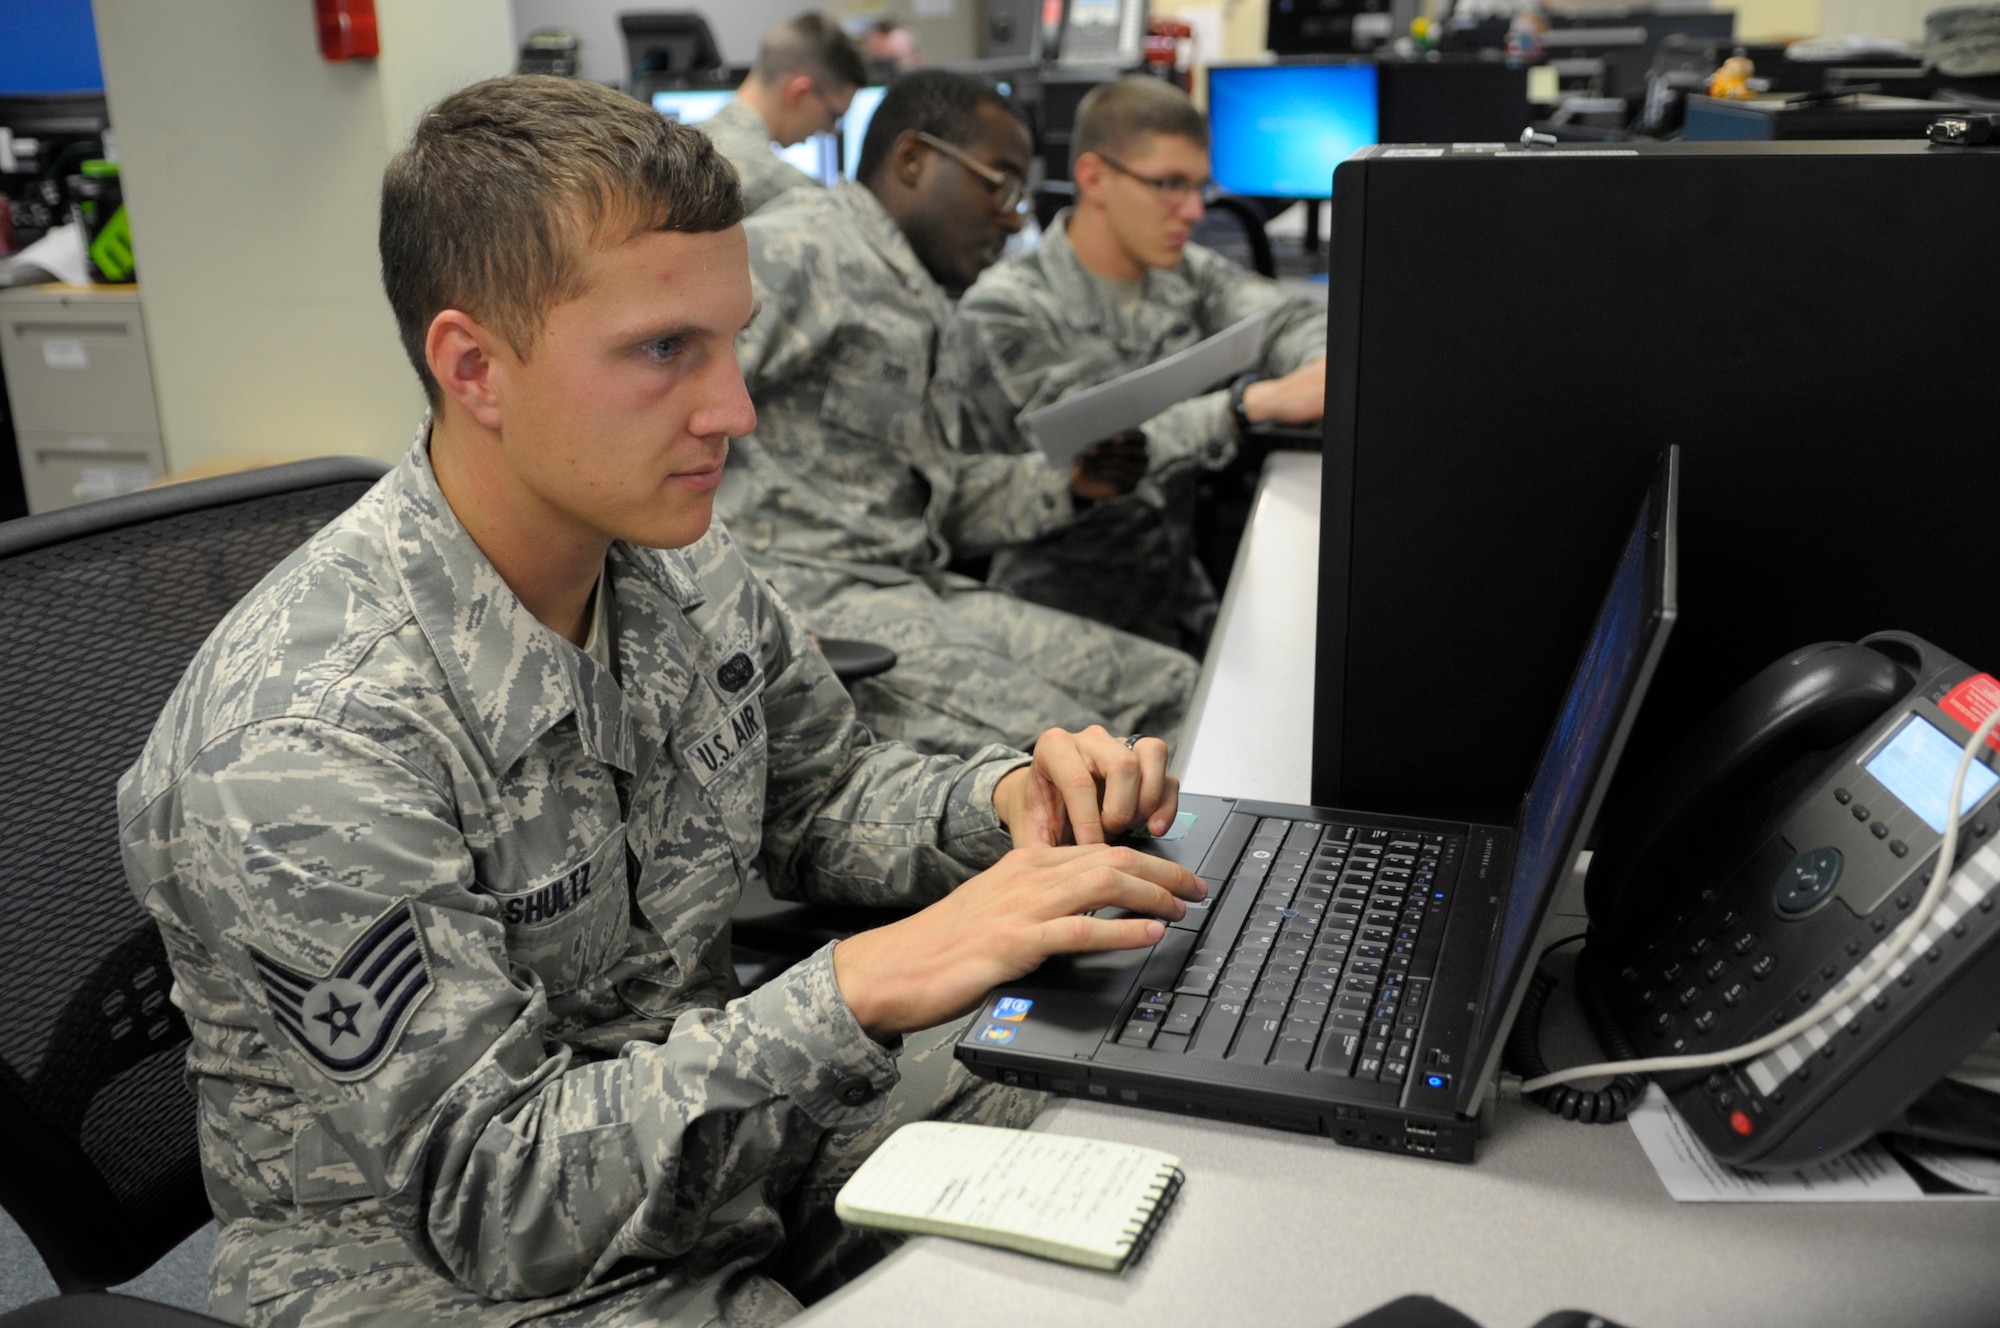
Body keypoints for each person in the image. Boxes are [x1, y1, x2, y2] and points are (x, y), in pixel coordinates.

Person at [116, 75, 1201, 1328]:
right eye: (662, 351)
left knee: (1143, 1117)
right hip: (435, 1269)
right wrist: (855, 985)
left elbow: (821, 791)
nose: (732, 409)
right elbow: (494, 1189)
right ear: (474, 364)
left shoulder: (671, 557)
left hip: (704, 1131)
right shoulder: (306, 739)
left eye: (731, 340)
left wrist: (1008, 797)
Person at [718, 68, 1199, 758]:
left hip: (911, 585)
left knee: (1172, 688)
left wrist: (1068, 485)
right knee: (1100, 763)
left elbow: (931, 499)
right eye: (998, 184)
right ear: (913, 159)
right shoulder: (800, 252)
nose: (1013, 216)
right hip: (814, 602)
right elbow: (648, 431)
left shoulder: (920, 295)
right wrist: (733, 619)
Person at [954, 75, 1329, 649]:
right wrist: (1249, 405)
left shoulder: (1184, 275)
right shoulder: (1007, 306)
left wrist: (1320, 366)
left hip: (1175, 597)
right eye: (1169, 184)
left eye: (1200, 186)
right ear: (1094, 178)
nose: (1194, 210)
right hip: (1055, 616)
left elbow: (1289, 321)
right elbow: (1100, 448)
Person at [695, 12, 866, 215]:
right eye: (834, 116)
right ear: (799, 93)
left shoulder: (678, 149)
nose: (831, 131)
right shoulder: (793, 194)